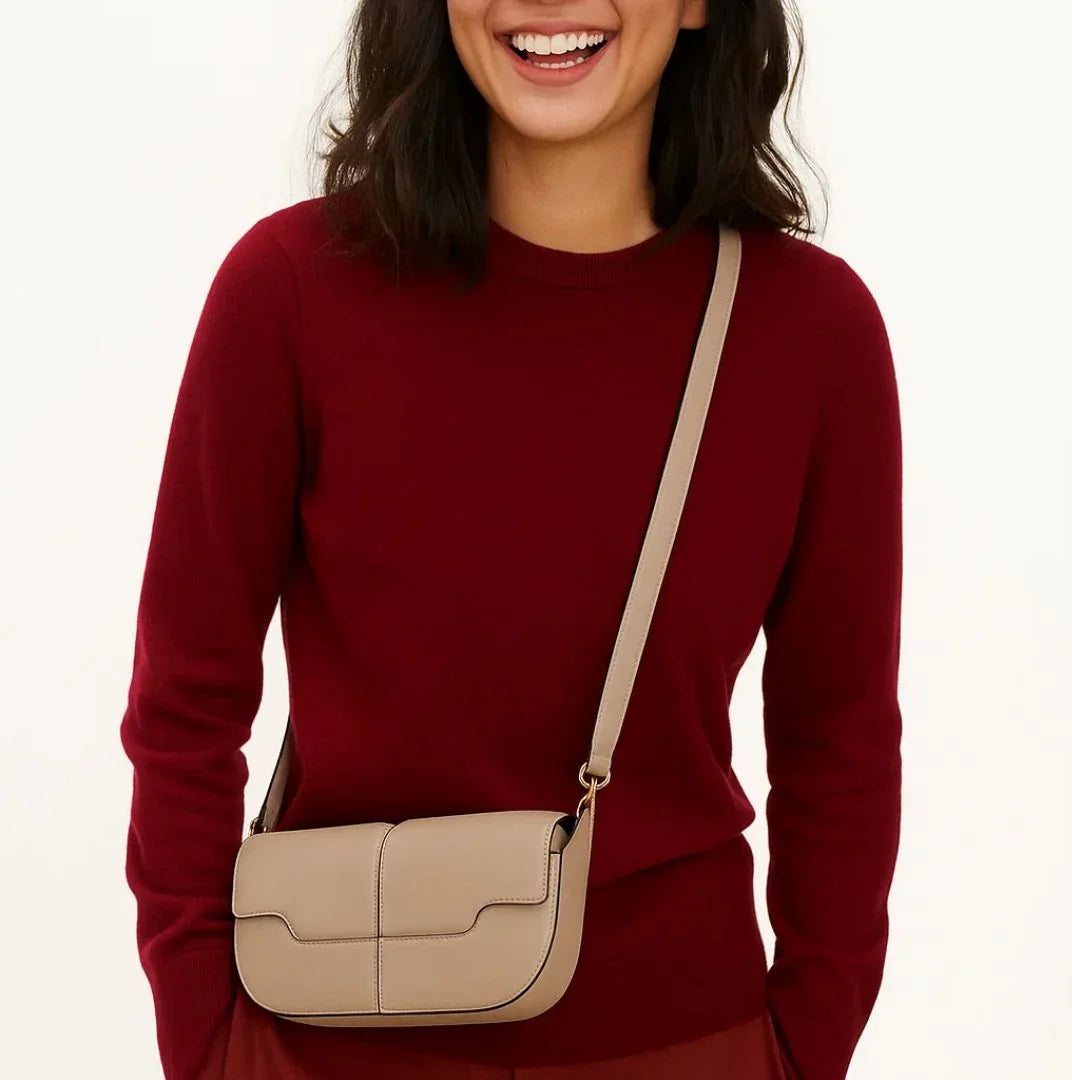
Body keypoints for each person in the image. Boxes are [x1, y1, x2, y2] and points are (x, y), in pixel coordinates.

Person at [120, 2, 904, 1078]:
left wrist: (804, 1048)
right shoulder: (291, 292)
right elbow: (184, 703)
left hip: (685, 1039)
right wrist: (208, 1042)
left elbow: (838, 736)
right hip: (327, 1040)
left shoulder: (811, 333)